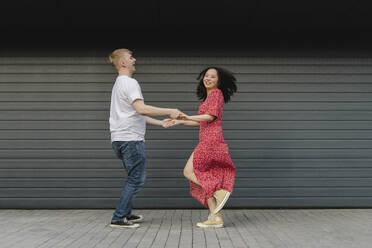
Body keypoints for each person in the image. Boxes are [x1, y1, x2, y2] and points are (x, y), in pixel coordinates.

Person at [108, 48, 184, 228]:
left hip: (119, 139)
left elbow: (135, 114)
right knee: (136, 179)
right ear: (123, 63)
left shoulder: (119, 84)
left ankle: (125, 213)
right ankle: (119, 218)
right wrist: (169, 110)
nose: (134, 60)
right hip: (131, 140)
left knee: (132, 177)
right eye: (131, 57)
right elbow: (141, 109)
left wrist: (161, 123)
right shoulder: (130, 83)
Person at [167, 67, 237, 228]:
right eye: (206, 76)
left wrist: (187, 116)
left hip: (210, 141)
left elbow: (210, 116)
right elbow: (200, 121)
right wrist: (181, 121)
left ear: (218, 81)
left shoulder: (216, 94)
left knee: (189, 172)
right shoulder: (207, 98)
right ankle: (215, 217)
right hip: (208, 140)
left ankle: (218, 191)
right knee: (199, 174)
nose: (208, 78)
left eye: (212, 77)